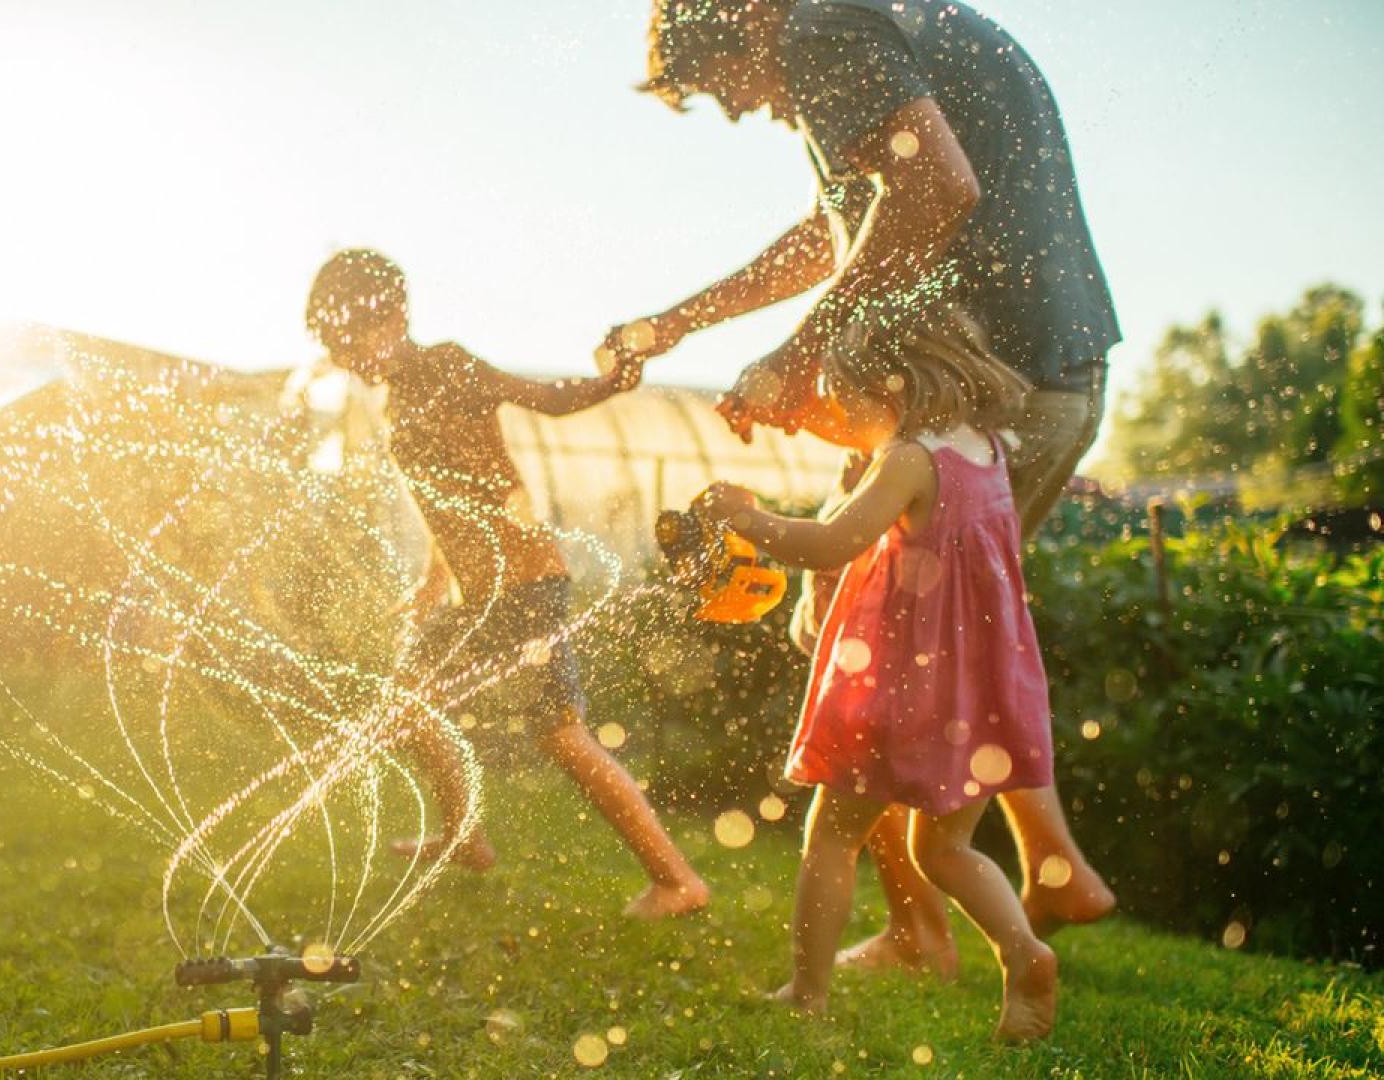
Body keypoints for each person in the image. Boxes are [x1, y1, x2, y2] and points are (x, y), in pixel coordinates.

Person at [607, 0, 1117, 968]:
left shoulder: (820, 29)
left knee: (860, 651)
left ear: (747, 19)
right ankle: (1045, 865)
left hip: (986, 384)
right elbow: (840, 229)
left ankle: (928, 922)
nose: (739, 109)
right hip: (1039, 379)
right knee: (945, 638)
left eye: (723, 82)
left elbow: (935, 187)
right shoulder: (872, 27)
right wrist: (682, 323)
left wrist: (797, 359)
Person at [305, 249, 710, 919]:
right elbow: (452, 492)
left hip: (524, 585)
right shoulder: (397, 395)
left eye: (345, 338)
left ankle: (677, 881)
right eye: (330, 342)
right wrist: (437, 577)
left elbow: (549, 401)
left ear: (390, 316)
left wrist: (614, 380)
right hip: (479, 596)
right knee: (408, 700)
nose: (341, 355)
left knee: (560, 736)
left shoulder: (446, 364)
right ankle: (465, 837)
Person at [700, 306, 1058, 1041]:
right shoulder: (987, 450)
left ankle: (807, 993)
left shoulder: (908, 459)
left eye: (845, 396)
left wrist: (747, 518)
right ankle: (1024, 954)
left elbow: (833, 544)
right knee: (947, 849)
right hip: (979, 695)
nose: (840, 413)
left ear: (889, 388)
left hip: (902, 689)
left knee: (829, 838)